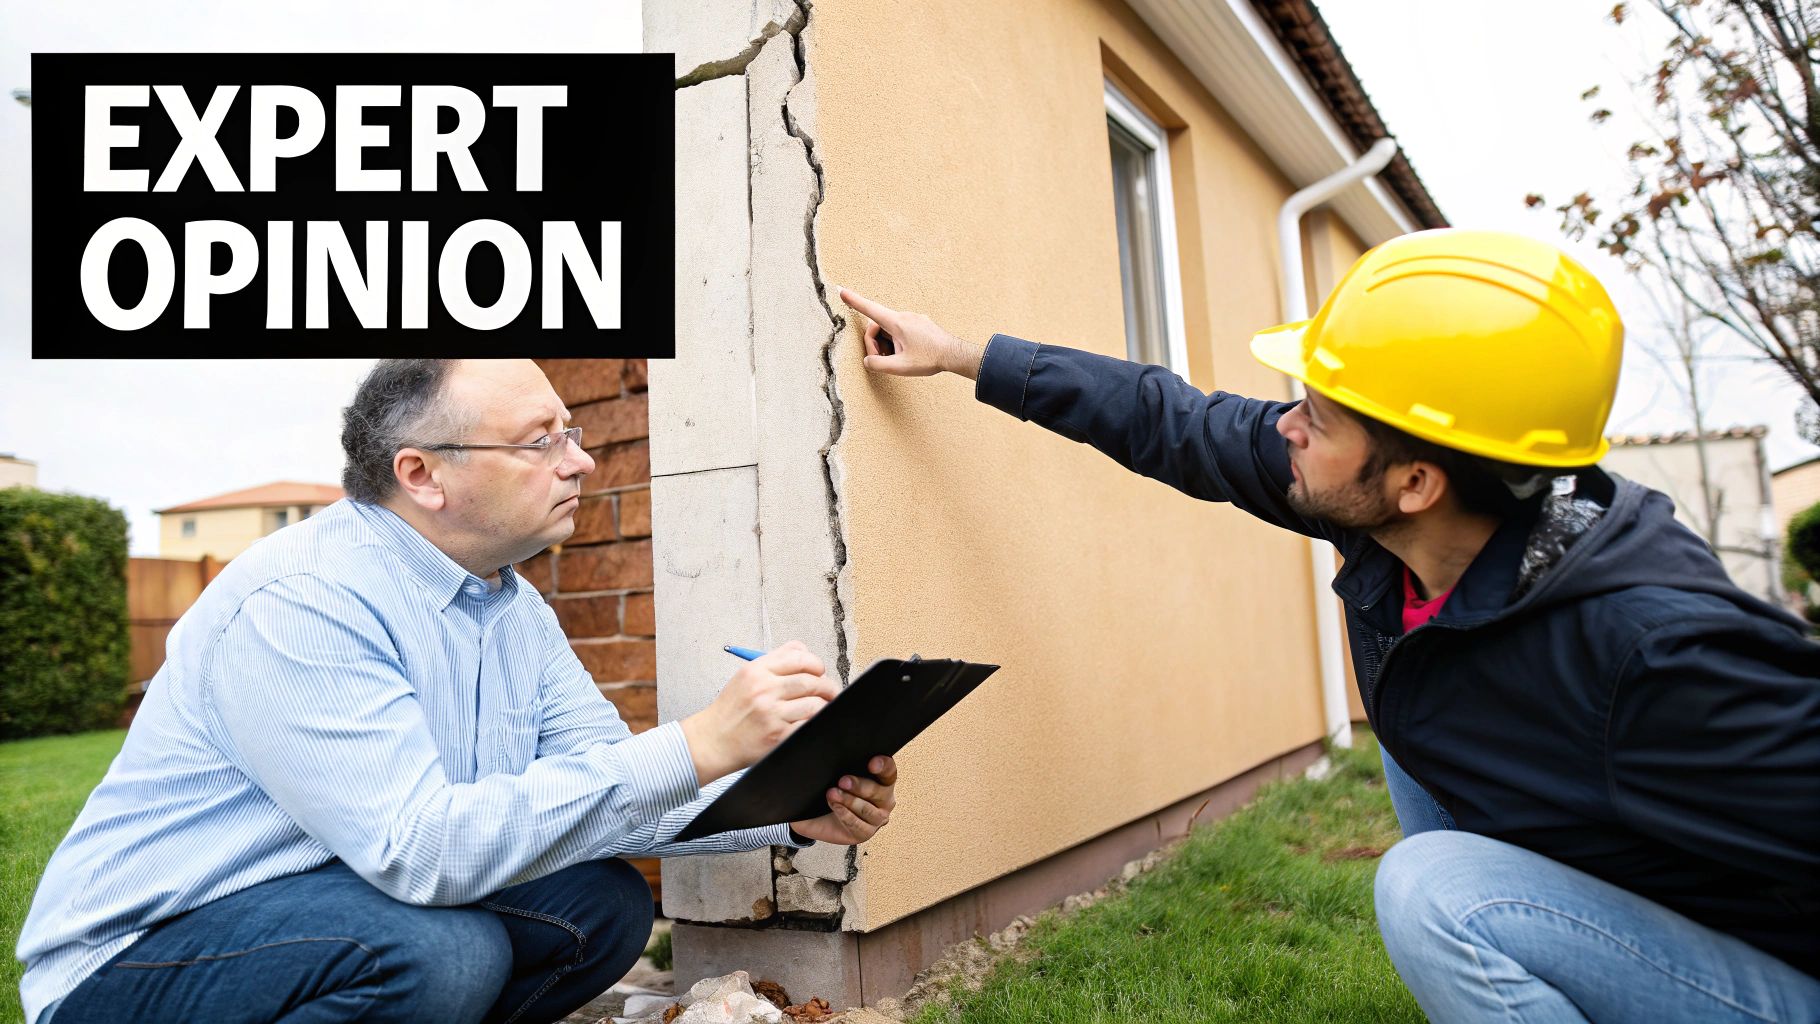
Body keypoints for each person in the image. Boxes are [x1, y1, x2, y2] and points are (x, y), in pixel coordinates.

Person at [840, 228, 1820, 1023]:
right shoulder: (1404, 521)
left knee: (1437, 890)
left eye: (1315, 412)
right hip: (1648, 898)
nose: (1285, 428)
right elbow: (1174, 421)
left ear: (1415, 480)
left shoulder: (1655, 647)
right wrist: (964, 355)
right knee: (1420, 725)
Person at [17, 359, 897, 1024]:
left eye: (573, 432)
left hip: (331, 897)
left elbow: (602, 793)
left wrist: (785, 812)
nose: (581, 462)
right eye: (541, 441)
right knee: (444, 953)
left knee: (602, 904)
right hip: (144, 955)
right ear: (421, 476)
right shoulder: (306, 602)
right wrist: (698, 741)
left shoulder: (512, 607)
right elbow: (419, 850)